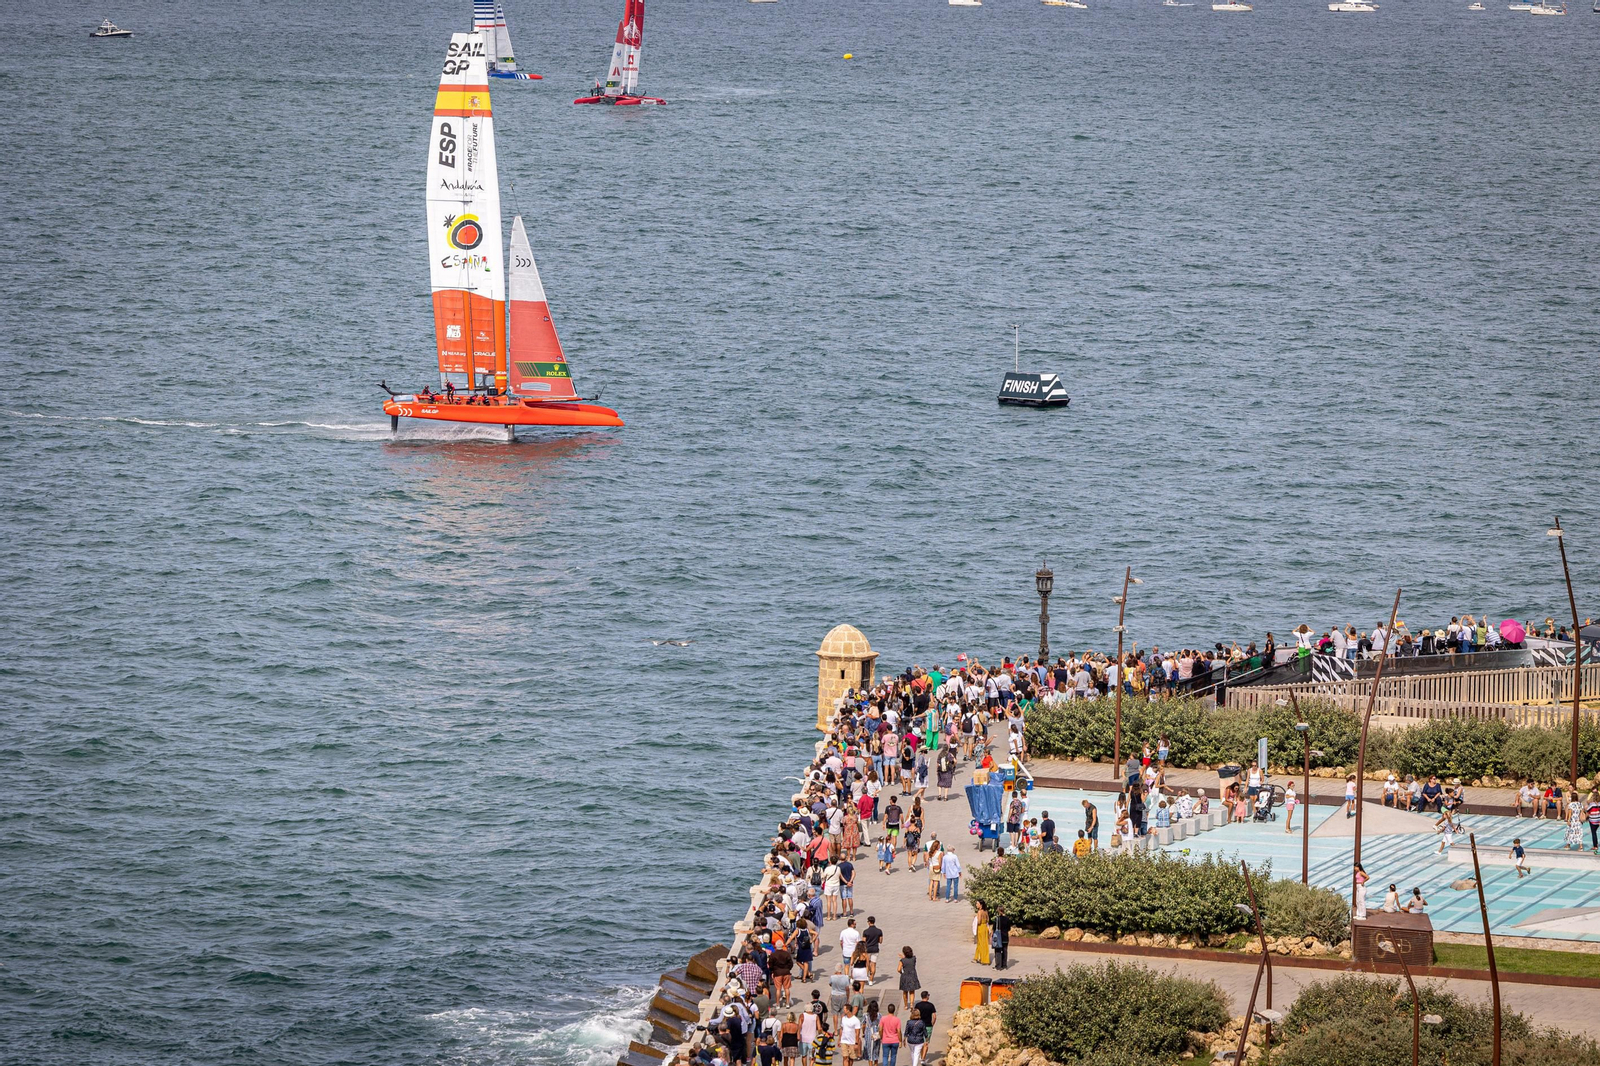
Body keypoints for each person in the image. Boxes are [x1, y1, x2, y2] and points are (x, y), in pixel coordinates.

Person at [972, 900, 991, 966]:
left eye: (977, 903)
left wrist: (976, 918)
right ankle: (978, 957)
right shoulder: (985, 911)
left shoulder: (979, 912)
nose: (976, 905)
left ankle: (983, 959)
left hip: (981, 928)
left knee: (980, 943)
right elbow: (988, 919)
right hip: (985, 927)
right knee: (985, 943)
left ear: (981, 905)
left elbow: (979, 921)